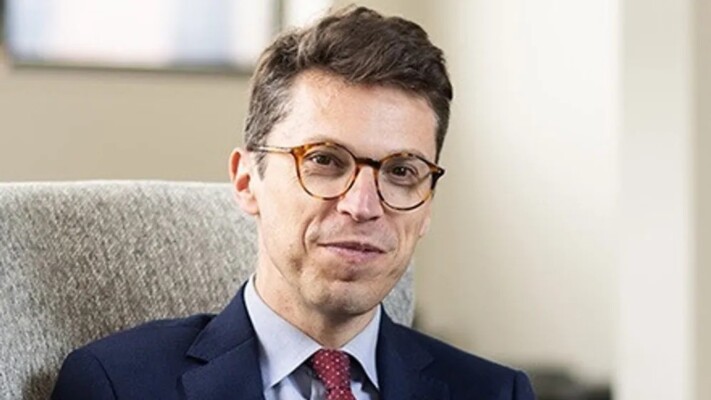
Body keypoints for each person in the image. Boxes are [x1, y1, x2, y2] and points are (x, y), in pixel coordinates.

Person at [52, 6, 535, 400]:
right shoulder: (117, 384)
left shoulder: (497, 392)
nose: (362, 205)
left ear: (427, 206)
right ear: (247, 181)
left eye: (402, 171)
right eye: (324, 160)